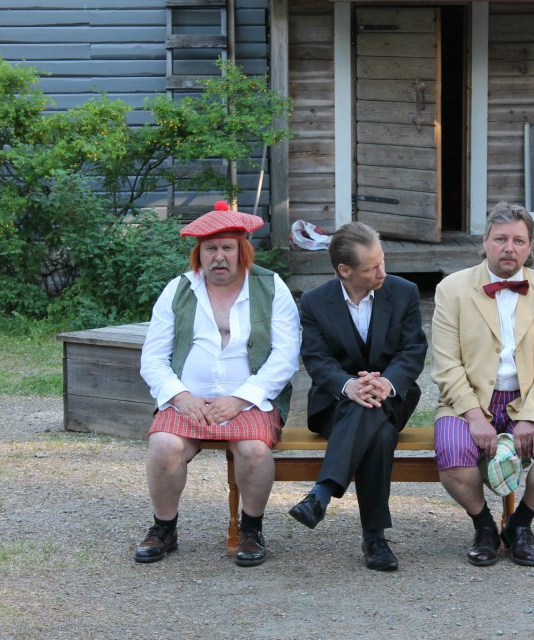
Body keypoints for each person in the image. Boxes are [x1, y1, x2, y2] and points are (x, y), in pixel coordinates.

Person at [136, 201, 300, 567]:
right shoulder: (178, 289)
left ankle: (251, 530)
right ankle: (164, 528)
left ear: (243, 250)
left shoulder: (271, 287)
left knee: (254, 450)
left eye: (227, 247)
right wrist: (180, 396)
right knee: (163, 444)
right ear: (199, 253)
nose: (219, 257)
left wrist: (242, 398)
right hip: (188, 401)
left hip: (250, 401)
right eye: (210, 249)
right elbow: (152, 358)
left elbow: (286, 356)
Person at [431, 202, 534, 567]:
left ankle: (519, 525)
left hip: (530, 400)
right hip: (468, 402)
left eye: (518, 240)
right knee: (452, 454)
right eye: (500, 239)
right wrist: (474, 416)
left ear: (530, 246)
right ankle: (483, 526)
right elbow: (447, 364)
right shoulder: (452, 289)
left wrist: (533, 416)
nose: (508, 248)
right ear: (485, 241)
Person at [289, 221, 428, 571]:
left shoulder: (405, 292)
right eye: (371, 268)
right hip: (334, 404)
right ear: (345, 270)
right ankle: (374, 538)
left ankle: (321, 494)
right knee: (378, 431)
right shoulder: (315, 302)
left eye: (382, 262)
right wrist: (348, 385)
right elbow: (317, 359)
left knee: (372, 410)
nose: (382, 272)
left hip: (393, 397)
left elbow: (413, 350)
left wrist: (387, 383)